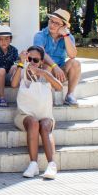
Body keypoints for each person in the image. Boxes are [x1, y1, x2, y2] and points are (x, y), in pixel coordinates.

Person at [11, 46, 64, 179]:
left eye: (35, 60)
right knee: (33, 123)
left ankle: (52, 165)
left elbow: (59, 87)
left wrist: (45, 73)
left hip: (45, 115)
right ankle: (33, 164)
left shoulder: (45, 73)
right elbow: (13, 83)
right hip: (24, 115)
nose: (32, 62)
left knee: (45, 125)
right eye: (30, 58)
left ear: (41, 61)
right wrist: (21, 63)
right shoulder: (20, 68)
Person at [33, 8, 82, 106]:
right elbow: (42, 53)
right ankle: (46, 97)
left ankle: (70, 95)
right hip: (45, 69)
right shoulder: (40, 35)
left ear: (63, 26)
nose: (52, 25)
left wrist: (66, 36)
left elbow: (72, 55)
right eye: (51, 21)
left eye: (57, 23)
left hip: (61, 70)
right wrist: (54, 66)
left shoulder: (68, 36)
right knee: (48, 67)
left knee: (76, 63)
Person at [0, 25, 20, 107]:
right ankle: (1, 97)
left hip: (8, 75)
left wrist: (15, 66)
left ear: (11, 39)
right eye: (0, 39)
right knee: (1, 70)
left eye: (6, 39)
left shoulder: (14, 50)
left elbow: (17, 62)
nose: (3, 42)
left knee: (17, 67)